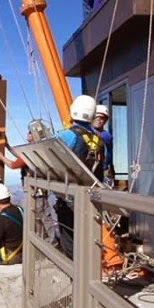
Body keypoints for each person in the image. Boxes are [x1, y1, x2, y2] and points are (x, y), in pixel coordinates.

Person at [54, 94, 104, 258]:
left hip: (69, 196)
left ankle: (76, 277)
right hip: (92, 196)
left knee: (69, 241)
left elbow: (52, 159)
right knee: (87, 237)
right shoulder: (99, 140)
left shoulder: (67, 136)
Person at [92, 104, 115, 185]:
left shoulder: (106, 136)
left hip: (103, 171)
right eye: (96, 116)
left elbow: (98, 137)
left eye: (102, 117)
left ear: (105, 120)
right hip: (93, 170)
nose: (98, 119)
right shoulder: (89, 132)